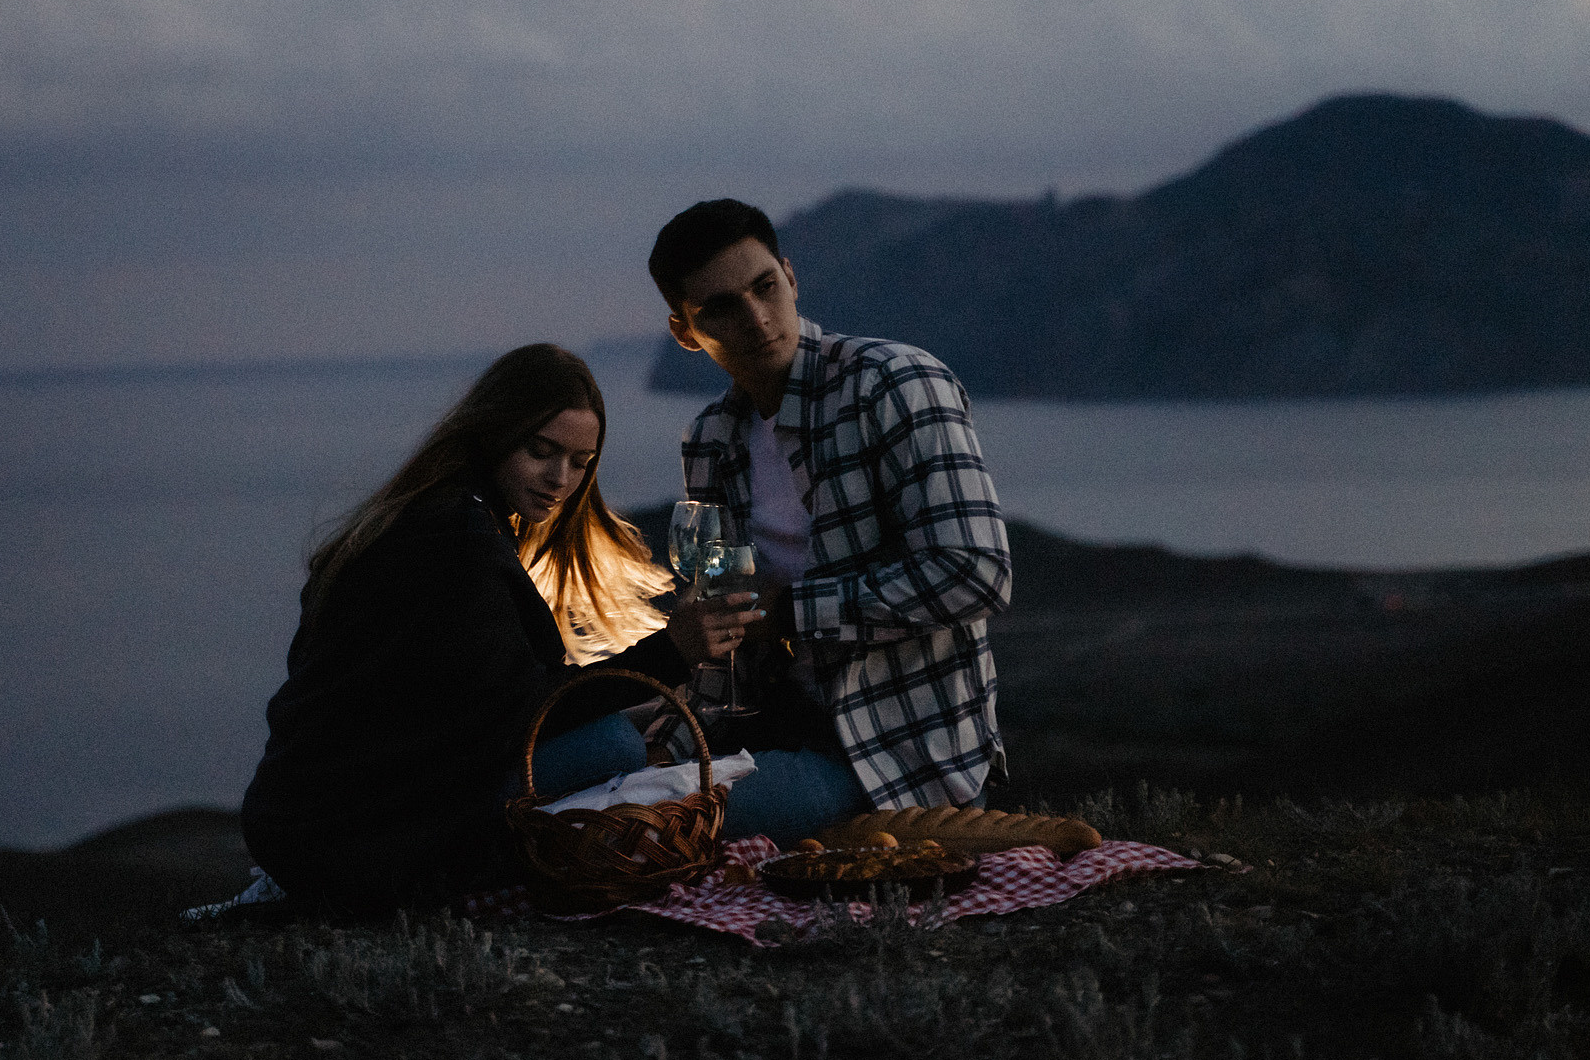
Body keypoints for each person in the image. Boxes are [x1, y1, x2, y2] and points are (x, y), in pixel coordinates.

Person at [239, 343, 756, 915]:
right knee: (616, 746)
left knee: (615, 733)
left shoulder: (433, 515)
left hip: (304, 817)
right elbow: (521, 711)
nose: (561, 479)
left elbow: (471, 702)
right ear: (495, 430)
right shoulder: (455, 543)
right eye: (542, 451)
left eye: (582, 462)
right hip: (352, 839)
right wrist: (670, 654)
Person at [648, 198, 1013, 836]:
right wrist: (674, 745)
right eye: (722, 308)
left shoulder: (895, 382)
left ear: (790, 277)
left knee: (661, 819)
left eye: (765, 288)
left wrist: (789, 612)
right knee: (600, 774)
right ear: (685, 331)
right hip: (764, 728)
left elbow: (976, 573)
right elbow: (722, 622)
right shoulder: (708, 439)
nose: (757, 319)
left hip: (892, 755)